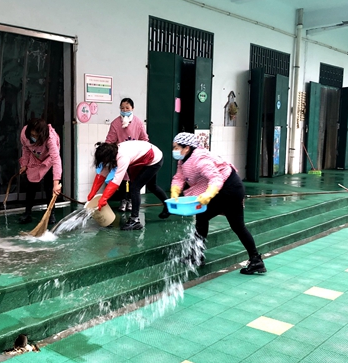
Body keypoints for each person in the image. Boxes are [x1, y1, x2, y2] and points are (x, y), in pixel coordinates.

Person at [170, 132, 266, 274]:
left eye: (176, 147)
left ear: (187, 148)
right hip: (229, 187)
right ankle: (256, 260)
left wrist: (208, 194)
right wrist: (174, 191)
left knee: (204, 217)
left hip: (229, 188)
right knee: (234, 225)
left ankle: (197, 255)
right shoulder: (183, 160)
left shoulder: (199, 159)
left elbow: (216, 178)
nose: (174, 150)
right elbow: (179, 177)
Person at [88, 140, 169, 231]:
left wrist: (104, 198)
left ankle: (135, 220)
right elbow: (102, 174)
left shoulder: (122, 157)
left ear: (108, 157)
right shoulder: (112, 153)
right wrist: (92, 193)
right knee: (151, 186)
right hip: (145, 155)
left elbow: (116, 181)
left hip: (154, 159)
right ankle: (168, 206)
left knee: (135, 188)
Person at [105, 98, 149, 212]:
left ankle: (131, 201)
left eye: (127, 108)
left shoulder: (138, 122)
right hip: (122, 156)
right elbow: (109, 140)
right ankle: (123, 200)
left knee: (134, 179)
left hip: (135, 157)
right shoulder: (115, 123)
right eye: (122, 108)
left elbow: (144, 139)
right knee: (122, 179)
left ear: (132, 108)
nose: (124, 110)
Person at [18, 118, 62, 224]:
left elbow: (56, 159)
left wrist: (56, 183)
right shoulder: (24, 133)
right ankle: (27, 213)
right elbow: (26, 149)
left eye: (37, 136)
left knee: (49, 187)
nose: (34, 138)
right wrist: (24, 164)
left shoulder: (50, 138)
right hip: (35, 158)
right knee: (31, 185)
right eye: (32, 135)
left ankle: (50, 214)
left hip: (49, 159)